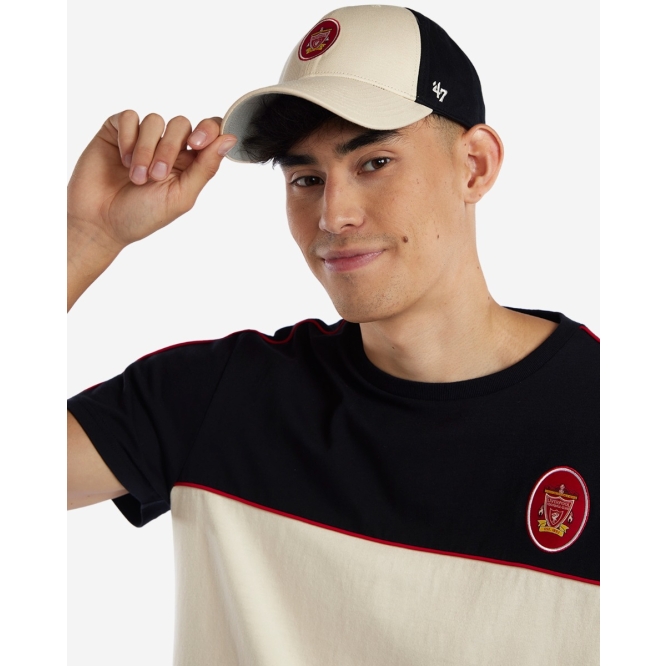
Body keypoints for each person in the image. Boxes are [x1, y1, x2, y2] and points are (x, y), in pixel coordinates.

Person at [68, 5, 599, 664]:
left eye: (373, 162)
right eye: (306, 179)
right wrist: (82, 239)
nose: (333, 215)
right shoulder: (217, 401)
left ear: (475, 166)